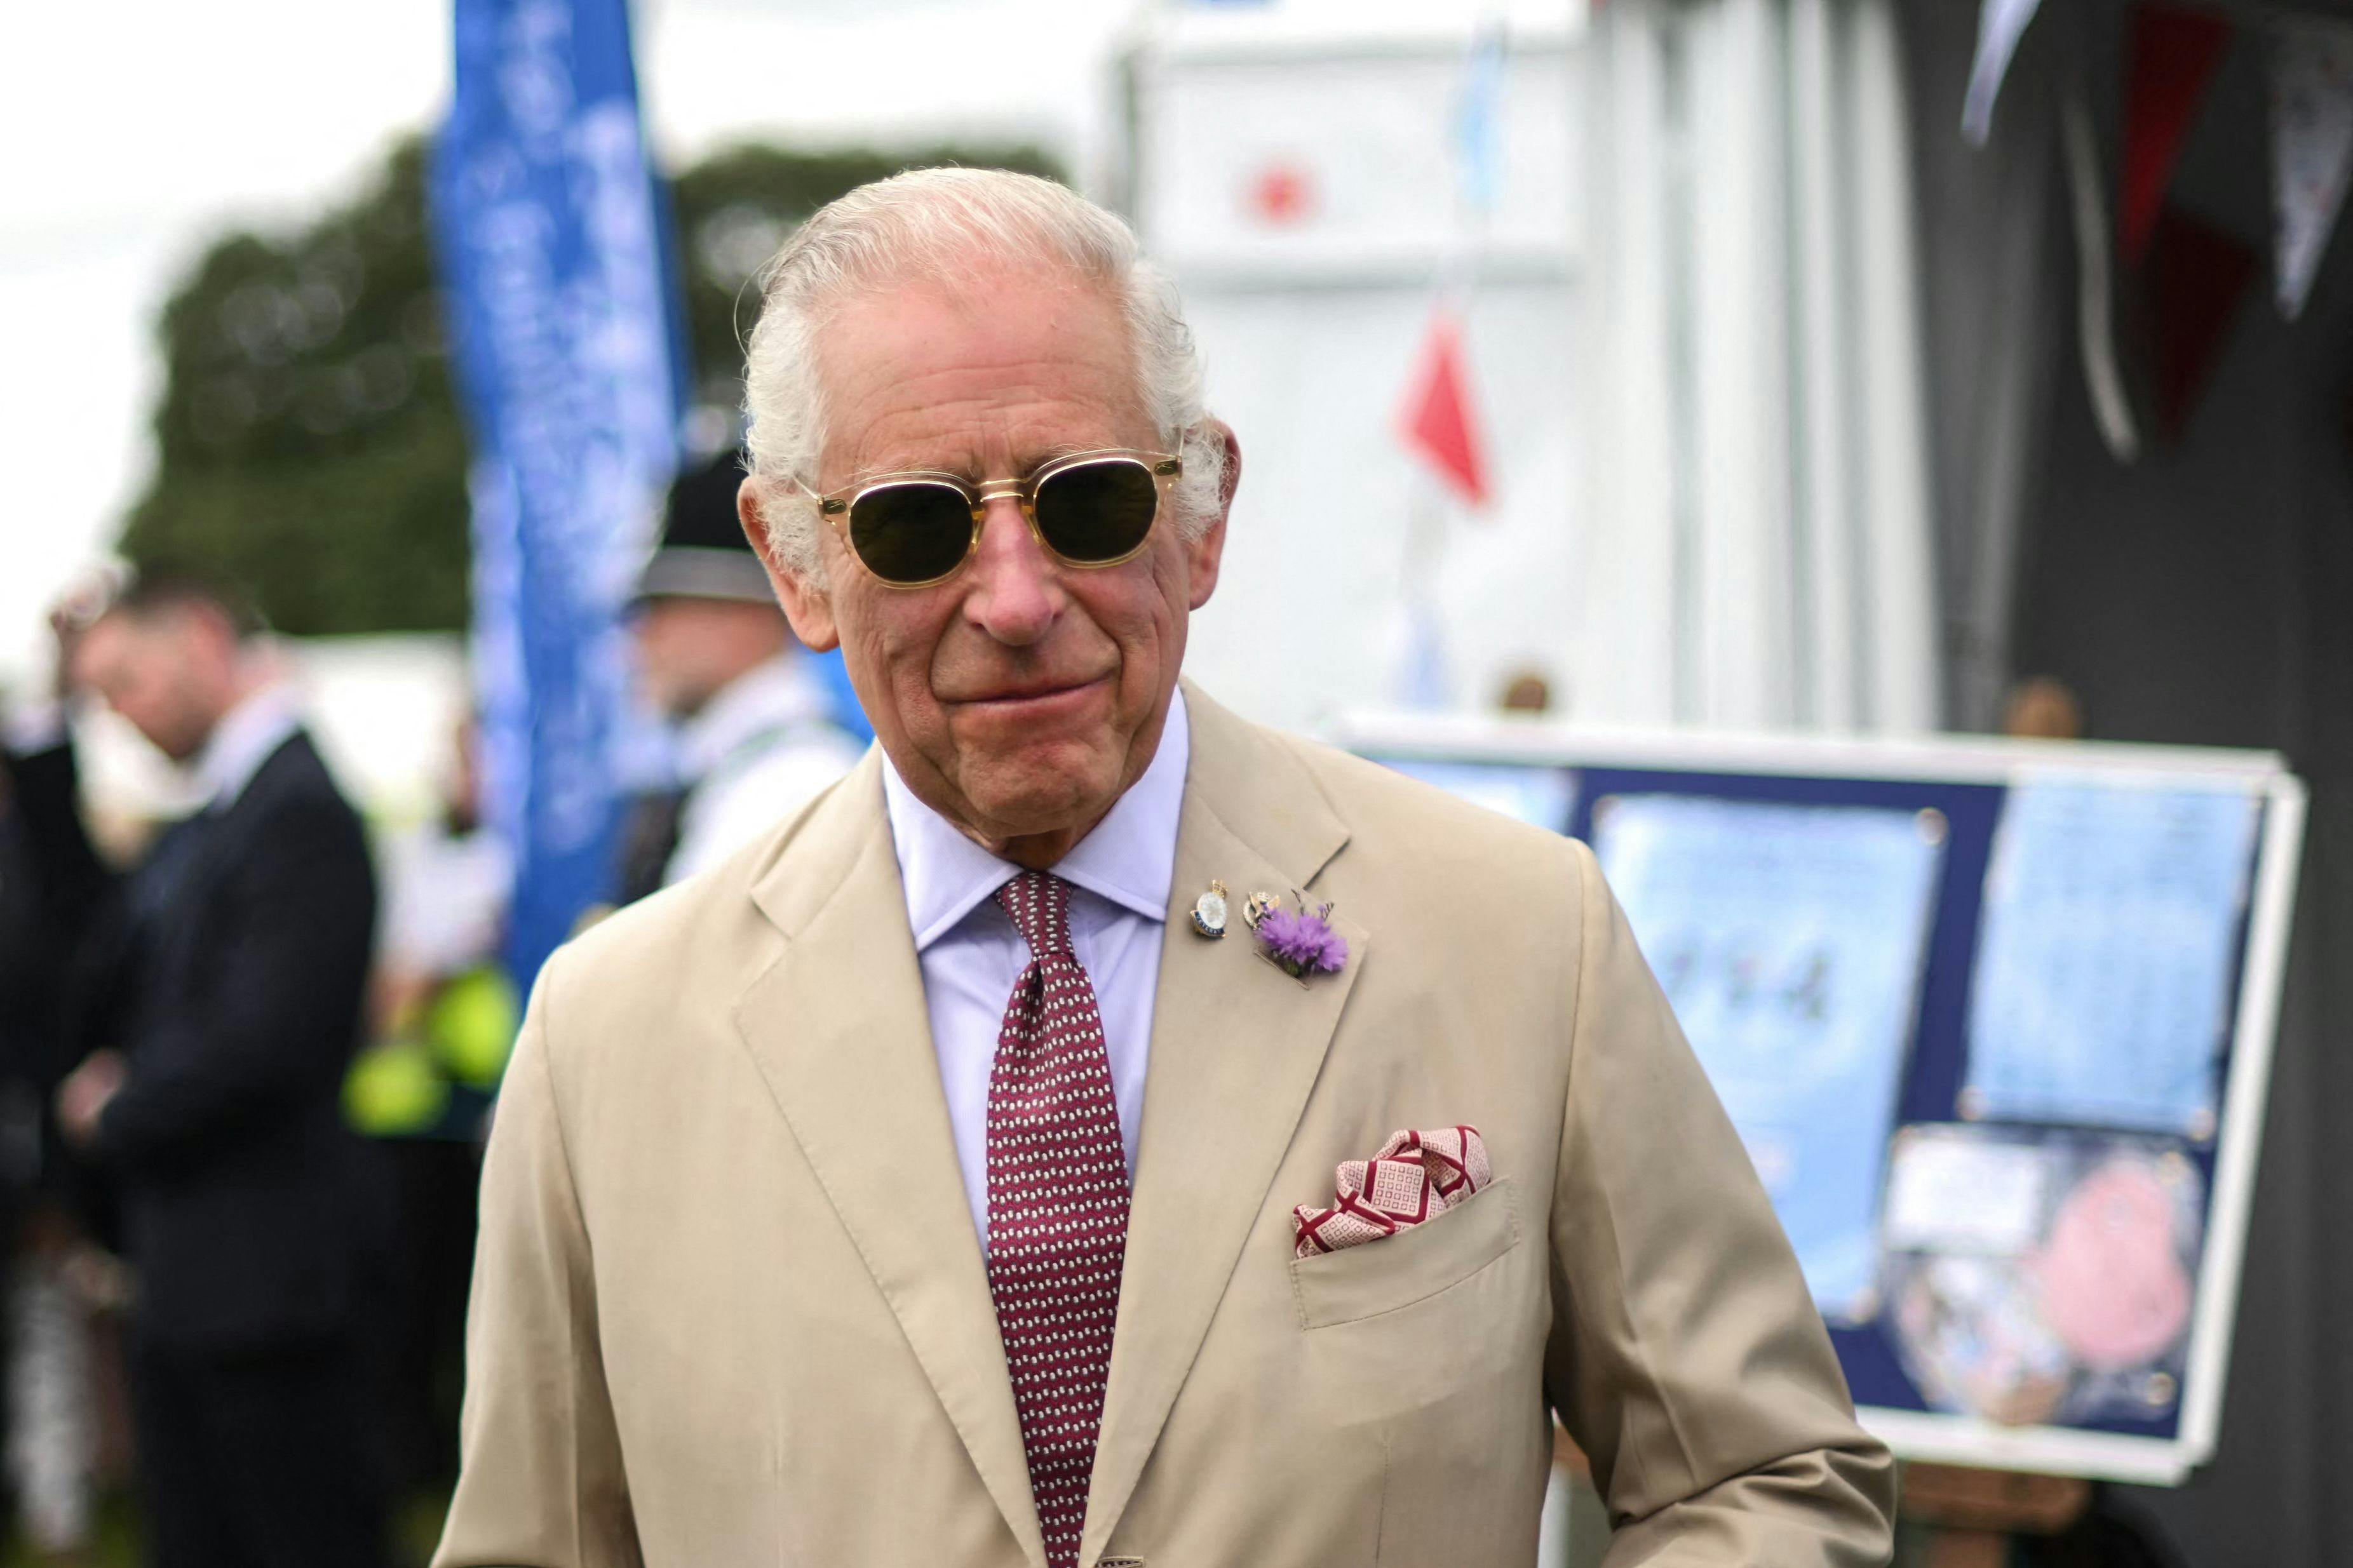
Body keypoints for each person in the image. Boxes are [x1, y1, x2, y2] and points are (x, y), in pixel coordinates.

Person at [437, 170, 1895, 1567]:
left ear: (1201, 512)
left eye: (1084, 501)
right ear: (795, 563)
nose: (1015, 599)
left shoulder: (1515, 936)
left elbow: (1759, 1472)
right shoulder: (608, 1040)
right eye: (916, 522)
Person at [52, 573, 388, 1568]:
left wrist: (114, 1112)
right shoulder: (218, 808)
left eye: (127, 680)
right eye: (98, 696)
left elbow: (265, 1043)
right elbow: (88, 942)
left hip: (271, 1283)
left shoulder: (297, 808)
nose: (120, 714)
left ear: (202, 637)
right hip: (197, 1273)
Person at [616, 448, 865, 902]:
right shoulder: (752, 773)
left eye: (660, 605)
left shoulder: (788, 787)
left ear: (744, 611)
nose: (640, 636)